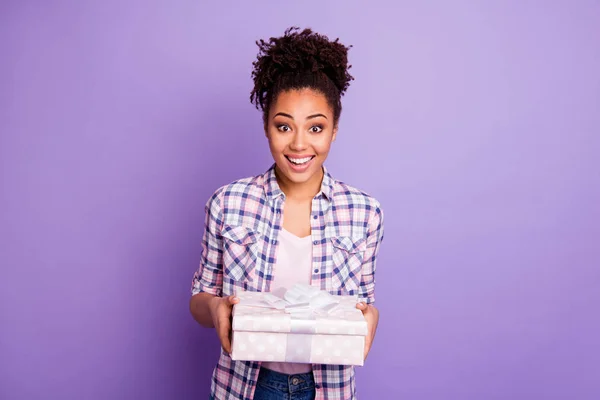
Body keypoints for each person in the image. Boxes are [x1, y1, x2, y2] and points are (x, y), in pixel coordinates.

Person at [189, 27, 385, 400]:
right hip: (245, 385)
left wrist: (371, 317)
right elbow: (200, 300)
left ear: (334, 131)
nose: (299, 144)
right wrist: (216, 307)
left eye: (315, 127)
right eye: (284, 126)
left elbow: (362, 303)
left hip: (327, 389)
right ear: (266, 127)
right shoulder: (228, 202)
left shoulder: (364, 211)